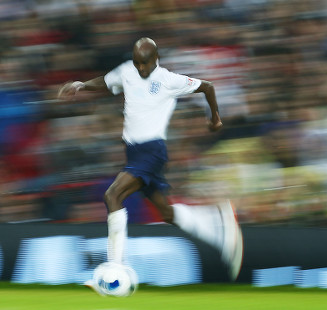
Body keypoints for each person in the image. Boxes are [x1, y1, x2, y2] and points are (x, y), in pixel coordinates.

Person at [58, 37, 243, 283]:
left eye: (145, 63)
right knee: (166, 213)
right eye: (138, 63)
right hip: (134, 152)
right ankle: (217, 226)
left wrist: (215, 118)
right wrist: (81, 85)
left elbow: (207, 86)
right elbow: (105, 81)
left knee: (113, 196)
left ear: (156, 59)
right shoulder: (127, 71)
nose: (141, 68)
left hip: (152, 151)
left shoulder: (168, 80)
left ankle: (116, 266)